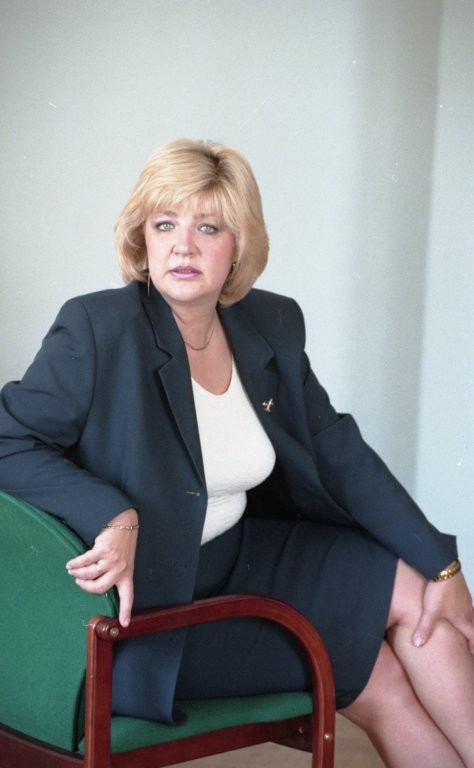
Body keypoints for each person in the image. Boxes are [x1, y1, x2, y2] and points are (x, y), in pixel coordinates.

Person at [0, 139, 473, 767]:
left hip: (243, 556)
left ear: (239, 245)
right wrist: (110, 511)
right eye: (165, 224)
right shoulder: (97, 328)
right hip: (148, 610)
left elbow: (337, 450)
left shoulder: (269, 323)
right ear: (141, 238)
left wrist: (445, 568)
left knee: (423, 598)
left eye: (208, 227)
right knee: (381, 678)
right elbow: (7, 440)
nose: (184, 246)